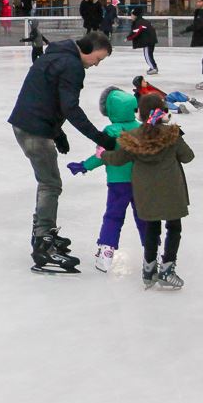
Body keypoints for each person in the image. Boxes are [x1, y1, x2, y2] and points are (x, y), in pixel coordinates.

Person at [5, 31, 119, 274]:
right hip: (34, 130)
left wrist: (57, 132)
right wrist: (99, 137)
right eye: (98, 59)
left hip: (30, 124)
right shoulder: (72, 66)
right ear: (88, 49)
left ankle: (44, 235)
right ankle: (43, 243)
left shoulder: (56, 55)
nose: (96, 64)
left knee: (48, 183)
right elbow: (70, 107)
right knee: (50, 184)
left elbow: (48, 96)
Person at [98, 93, 194, 289]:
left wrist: (103, 154)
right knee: (174, 228)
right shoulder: (172, 135)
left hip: (146, 192)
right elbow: (188, 157)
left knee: (152, 228)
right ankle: (167, 268)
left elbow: (118, 159)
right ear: (162, 111)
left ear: (140, 115)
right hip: (171, 190)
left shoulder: (133, 138)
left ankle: (149, 269)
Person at [67, 87, 146, 272]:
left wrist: (84, 165)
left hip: (118, 183)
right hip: (141, 182)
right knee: (144, 217)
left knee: (113, 216)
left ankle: (105, 254)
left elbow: (101, 156)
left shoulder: (111, 131)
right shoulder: (142, 128)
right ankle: (154, 251)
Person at [127, 8, 159, 74]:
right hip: (150, 40)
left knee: (147, 55)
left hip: (148, 41)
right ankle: (153, 66)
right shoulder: (143, 21)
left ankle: (153, 68)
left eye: (132, 15)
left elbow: (136, 32)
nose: (131, 17)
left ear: (135, 15)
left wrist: (128, 38)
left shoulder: (139, 23)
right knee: (149, 54)